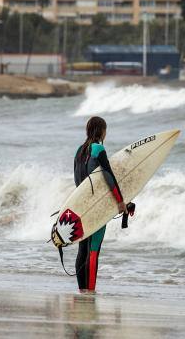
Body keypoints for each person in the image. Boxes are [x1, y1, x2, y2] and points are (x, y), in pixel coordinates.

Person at [74, 116, 126, 293]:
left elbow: (77, 180)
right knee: (93, 249)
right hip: (96, 206)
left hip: (81, 204)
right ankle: (90, 291)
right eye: (105, 129)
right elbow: (108, 176)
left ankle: (82, 290)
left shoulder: (79, 151)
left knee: (82, 248)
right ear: (101, 131)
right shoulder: (98, 149)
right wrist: (120, 201)